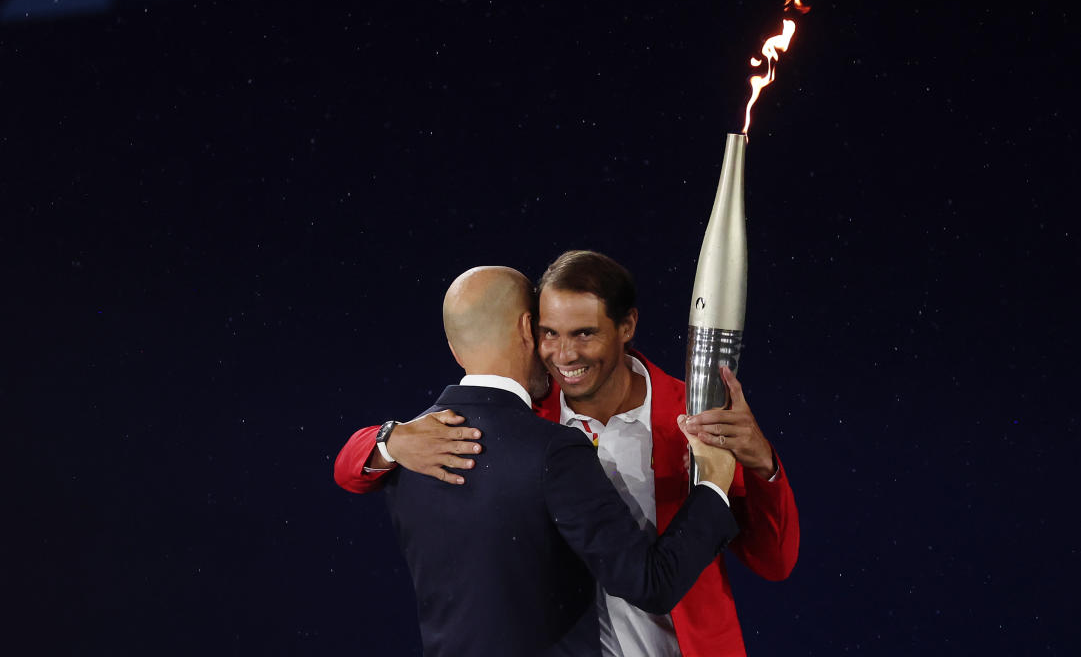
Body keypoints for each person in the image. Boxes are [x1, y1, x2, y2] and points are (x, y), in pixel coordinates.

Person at [335, 251, 800, 657]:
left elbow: (774, 562)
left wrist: (766, 466)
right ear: (528, 331)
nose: (563, 354)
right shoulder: (528, 423)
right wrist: (388, 439)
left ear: (627, 326)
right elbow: (349, 469)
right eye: (549, 333)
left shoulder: (695, 418)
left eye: (584, 333)